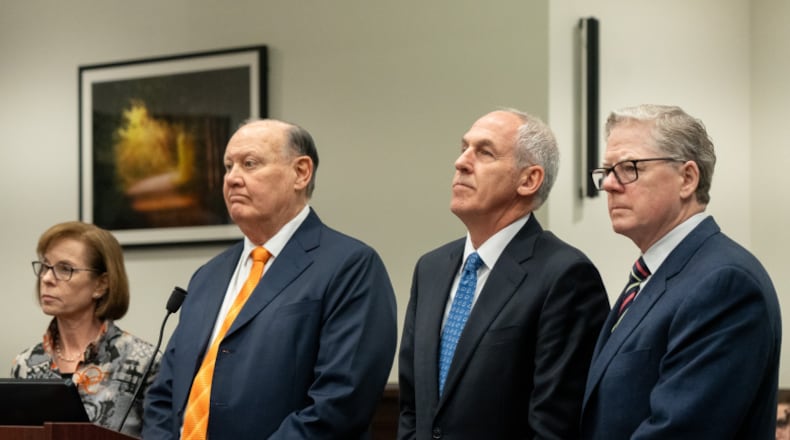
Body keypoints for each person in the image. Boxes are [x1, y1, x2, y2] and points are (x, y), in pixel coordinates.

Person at [143, 118, 398, 439]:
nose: (233, 178)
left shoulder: (350, 266)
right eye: (228, 166)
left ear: (301, 172)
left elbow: (340, 403)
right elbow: (164, 394)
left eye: (250, 164)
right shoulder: (207, 276)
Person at [398, 109, 610, 439]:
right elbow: (412, 407)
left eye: (485, 152)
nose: (461, 162)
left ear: (529, 180)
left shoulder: (565, 276)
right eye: (464, 148)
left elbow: (555, 428)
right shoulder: (431, 268)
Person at [582, 104, 782, 439]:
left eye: (629, 168)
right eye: (607, 171)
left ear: (687, 179)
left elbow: (679, 430)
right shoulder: (651, 276)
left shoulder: (724, 284)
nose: (610, 185)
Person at [11, 221, 158, 437]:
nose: (46, 278)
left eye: (65, 269)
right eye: (45, 266)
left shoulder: (144, 362)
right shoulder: (25, 364)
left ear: (101, 284)